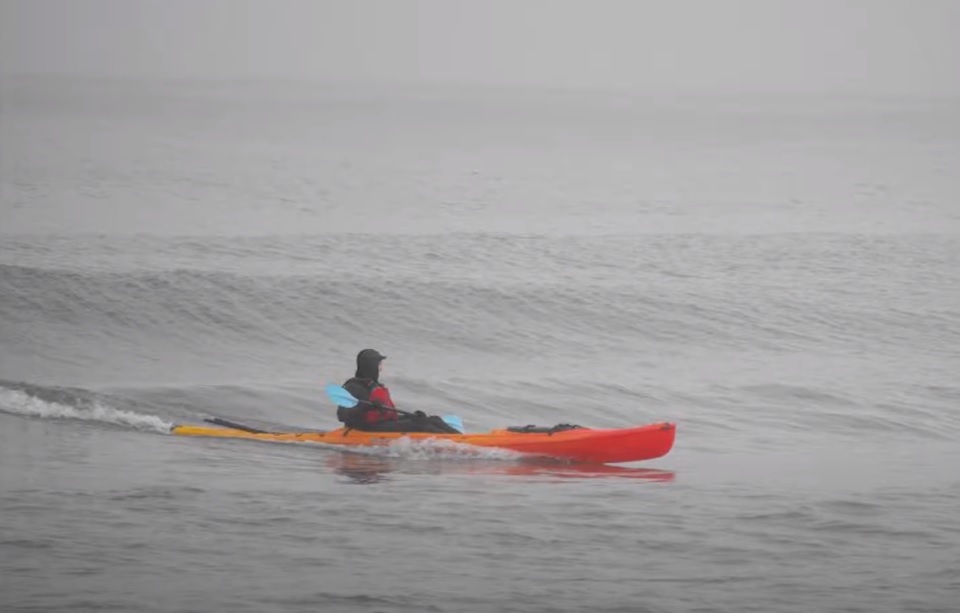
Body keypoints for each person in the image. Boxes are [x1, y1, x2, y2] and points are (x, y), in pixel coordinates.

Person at [337, 349, 460, 433]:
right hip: (366, 428)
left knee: (432, 419)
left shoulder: (372, 384)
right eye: (378, 365)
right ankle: (455, 444)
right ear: (371, 366)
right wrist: (365, 407)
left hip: (383, 422)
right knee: (420, 426)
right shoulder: (353, 387)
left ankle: (461, 439)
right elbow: (341, 415)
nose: (380, 368)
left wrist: (410, 416)